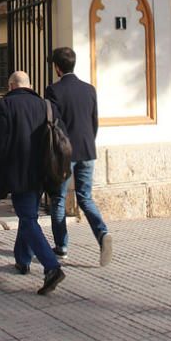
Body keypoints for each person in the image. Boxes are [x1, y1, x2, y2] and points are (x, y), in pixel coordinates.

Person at [0, 70, 65, 295]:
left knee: (28, 218)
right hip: (42, 172)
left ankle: (51, 267)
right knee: (28, 214)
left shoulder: (5, 106)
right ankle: (22, 259)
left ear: (11, 86)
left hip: (17, 172)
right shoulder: (46, 106)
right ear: (29, 85)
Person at [46, 47, 112, 266]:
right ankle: (102, 234)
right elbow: (94, 122)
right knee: (85, 197)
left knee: (58, 199)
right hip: (88, 149)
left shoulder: (53, 90)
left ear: (57, 67)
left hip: (65, 154)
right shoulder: (89, 89)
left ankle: (62, 247)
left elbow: (54, 124)